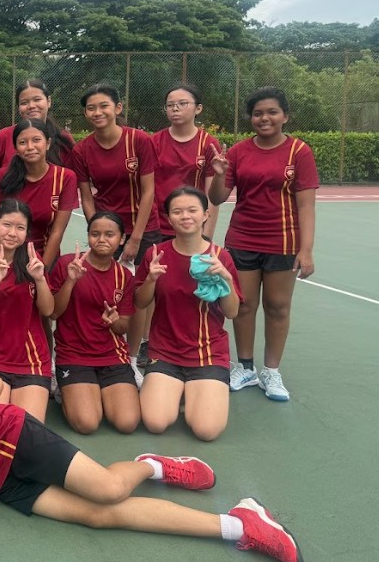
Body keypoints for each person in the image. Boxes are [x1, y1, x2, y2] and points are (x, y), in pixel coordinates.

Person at [0, 308, 305, 562]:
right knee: (98, 518)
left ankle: (205, 499)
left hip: (8, 436)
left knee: (107, 489)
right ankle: (202, 499)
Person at [208, 87, 318, 402]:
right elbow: (216, 198)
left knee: (278, 306)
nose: (264, 118)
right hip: (242, 238)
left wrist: (306, 248)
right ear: (251, 118)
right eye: (258, 113)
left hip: (283, 241)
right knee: (243, 305)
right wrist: (219, 174)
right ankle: (245, 367)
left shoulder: (299, 152)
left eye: (271, 112)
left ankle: (272, 370)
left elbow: (307, 206)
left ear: (285, 116)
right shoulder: (239, 152)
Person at [134, 188, 241, 440]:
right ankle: (179, 391)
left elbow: (232, 311)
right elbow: (140, 302)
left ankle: (195, 391)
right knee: (155, 422)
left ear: (205, 214)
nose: (185, 216)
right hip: (165, 352)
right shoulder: (155, 254)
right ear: (169, 218)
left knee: (206, 430)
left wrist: (225, 278)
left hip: (207, 353)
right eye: (177, 211)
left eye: (192, 210)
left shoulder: (219, 257)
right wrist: (150, 279)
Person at [71, 83, 158, 384]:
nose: (98, 112)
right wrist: (100, 233)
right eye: (91, 108)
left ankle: (131, 360)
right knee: (103, 292)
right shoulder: (82, 150)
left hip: (142, 230)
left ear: (118, 108)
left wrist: (134, 238)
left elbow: (149, 193)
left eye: (104, 106)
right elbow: (86, 196)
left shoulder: (140, 141)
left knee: (136, 297)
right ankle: (100, 350)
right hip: (107, 229)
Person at [48, 213, 138, 434]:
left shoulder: (124, 276)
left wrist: (114, 321)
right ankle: (65, 390)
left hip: (111, 355)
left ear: (122, 239)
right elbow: (53, 313)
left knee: (127, 423)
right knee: (87, 424)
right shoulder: (67, 264)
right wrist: (70, 281)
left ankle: (94, 391)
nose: (102, 239)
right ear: (88, 236)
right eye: (95, 234)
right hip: (74, 354)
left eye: (110, 234)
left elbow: (123, 327)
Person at [0, 199, 53, 421]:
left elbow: (48, 310)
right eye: (7, 225)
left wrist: (40, 279)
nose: (12, 232)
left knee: (29, 429)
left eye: (20, 227)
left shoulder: (33, 262)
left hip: (31, 358)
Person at [0, 118, 78, 269]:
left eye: (36, 140)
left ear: (48, 143)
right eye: (23, 142)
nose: (30, 147)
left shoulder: (65, 177)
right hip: (8, 259)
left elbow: (57, 232)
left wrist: (42, 269)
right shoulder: (3, 176)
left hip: (44, 258)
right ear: (16, 148)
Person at [152, 84, 222, 240]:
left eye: (183, 103)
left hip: (192, 227)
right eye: (170, 105)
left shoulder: (208, 144)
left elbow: (212, 196)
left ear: (198, 108)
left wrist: (207, 236)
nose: (175, 108)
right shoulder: (154, 142)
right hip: (158, 227)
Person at [0, 79, 75, 194]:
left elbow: (70, 183)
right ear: (18, 108)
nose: (31, 106)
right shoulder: (3, 137)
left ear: (48, 101)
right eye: (24, 103)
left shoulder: (63, 139)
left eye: (37, 99)